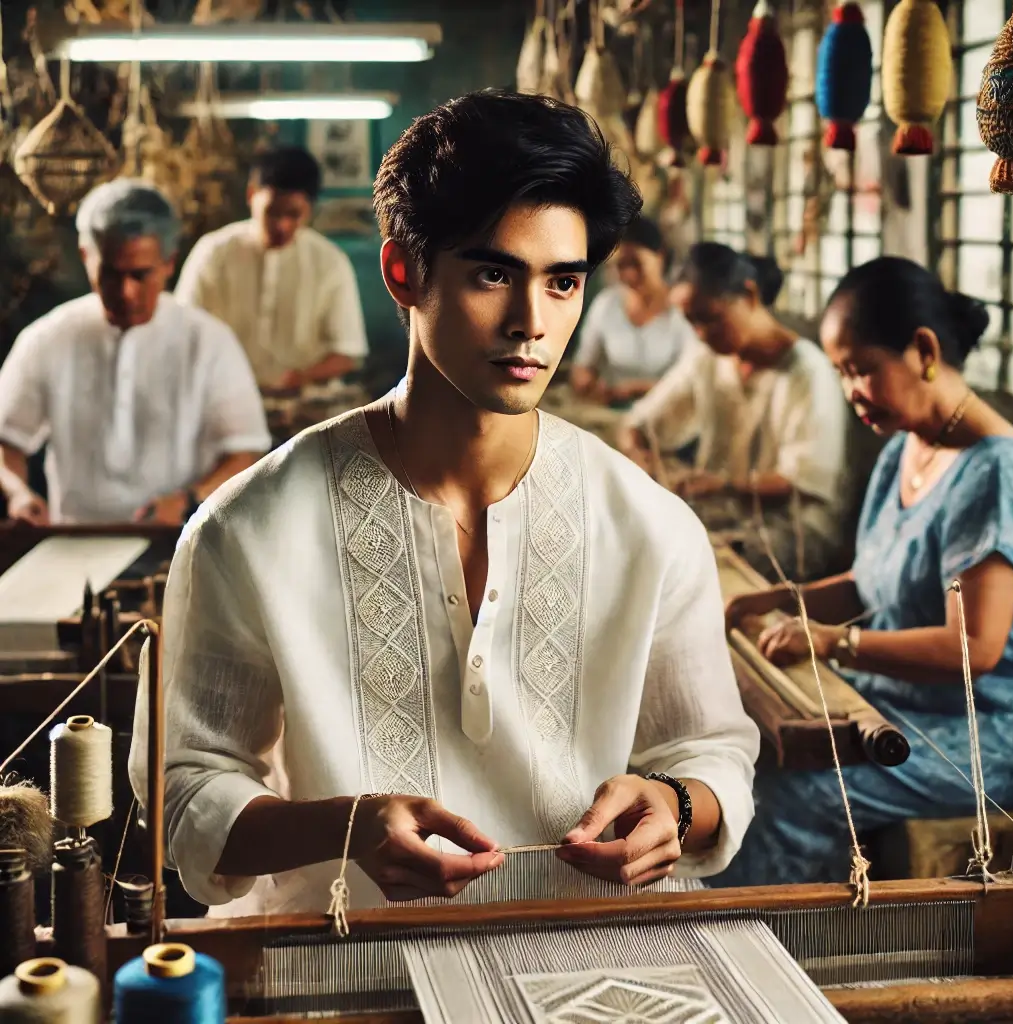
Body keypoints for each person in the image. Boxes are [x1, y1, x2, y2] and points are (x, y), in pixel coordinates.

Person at [128, 90, 759, 917]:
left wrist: (675, 805)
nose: (531, 322)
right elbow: (186, 788)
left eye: (563, 282)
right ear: (405, 273)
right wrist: (347, 828)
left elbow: (710, 752)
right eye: (494, 274)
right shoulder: (248, 528)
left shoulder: (650, 526)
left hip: (584, 947)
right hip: (339, 960)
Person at [718, 257, 1013, 886]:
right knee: (749, 746)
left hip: (983, 732)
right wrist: (780, 600)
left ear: (924, 351)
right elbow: (870, 583)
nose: (851, 391)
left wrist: (836, 642)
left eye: (861, 369)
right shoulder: (904, 450)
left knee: (799, 791)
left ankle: (756, 934)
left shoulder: (995, 471)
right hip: (899, 702)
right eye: (840, 373)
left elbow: (975, 646)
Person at [0, 180, 270, 526]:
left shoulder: (209, 342)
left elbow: (246, 451)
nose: (126, 292)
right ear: (86, 257)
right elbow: (6, 441)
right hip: (74, 539)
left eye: (140, 275)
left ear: (169, 263)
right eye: (110, 275)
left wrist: (190, 501)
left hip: (180, 539)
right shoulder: (48, 338)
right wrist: (18, 493)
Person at [618, 242, 849, 583]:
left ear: (750, 295)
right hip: (725, 513)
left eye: (711, 319)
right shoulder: (708, 357)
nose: (701, 334)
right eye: (691, 322)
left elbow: (801, 480)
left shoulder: (807, 371)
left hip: (792, 528)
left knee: (688, 568)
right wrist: (640, 457)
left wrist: (725, 484)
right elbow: (639, 422)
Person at [175, 145, 368, 392]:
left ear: (310, 208)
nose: (281, 225)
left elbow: (348, 353)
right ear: (251, 195)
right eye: (272, 213)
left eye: (294, 214)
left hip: (304, 403)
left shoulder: (330, 262)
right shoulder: (213, 253)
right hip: (223, 396)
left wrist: (299, 378)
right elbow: (181, 332)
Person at [569, 216, 694, 405]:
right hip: (611, 411)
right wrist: (586, 382)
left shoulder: (684, 310)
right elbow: (583, 364)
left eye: (636, 263)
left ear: (660, 256)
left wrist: (641, 389)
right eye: (620, 265)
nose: (628, 273)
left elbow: (693, 382)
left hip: (670, 412)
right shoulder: (606, 304)